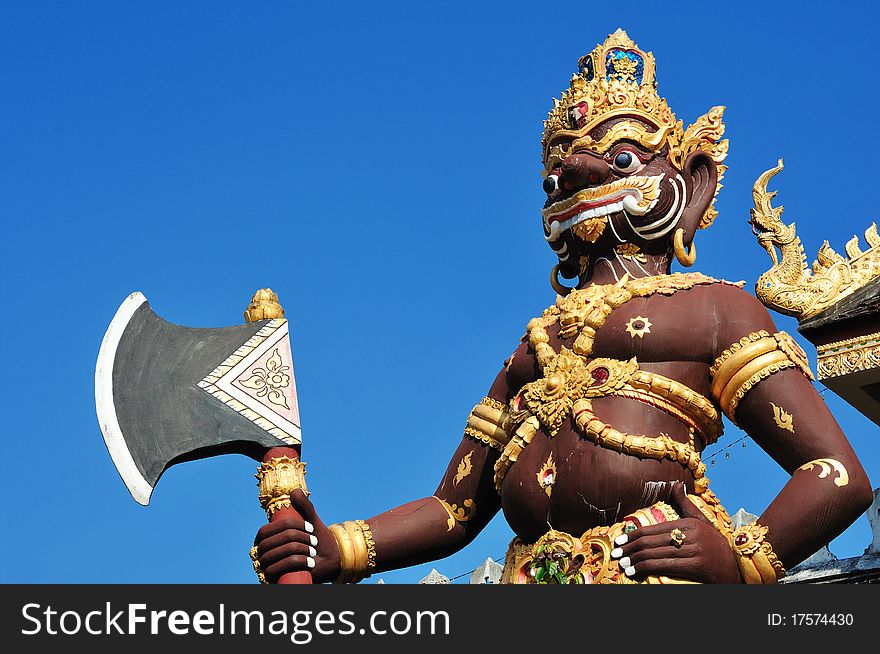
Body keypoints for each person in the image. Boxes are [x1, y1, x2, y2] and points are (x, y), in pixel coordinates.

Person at [251, 30, 872, 584]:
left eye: (622, 158)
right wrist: (339, 546)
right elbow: (454, 511)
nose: (576, 172)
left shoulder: (715, 310)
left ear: (692, 184)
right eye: (556, 175)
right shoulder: (534, 345)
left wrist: (739, 558)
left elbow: (835, 471)